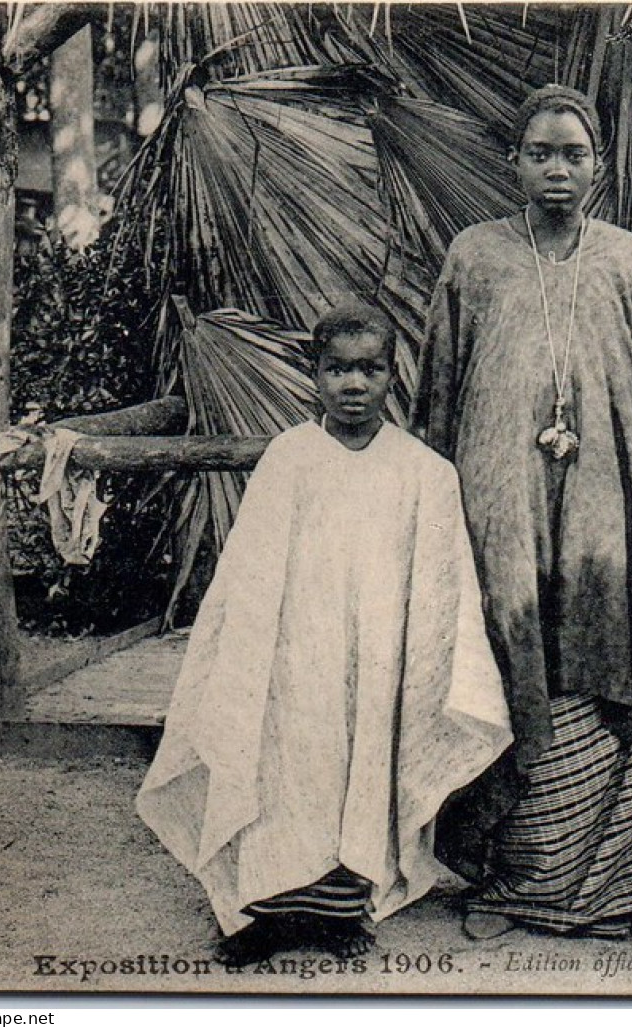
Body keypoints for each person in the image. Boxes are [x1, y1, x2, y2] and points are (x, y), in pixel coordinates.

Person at [137, 305, 512, 968]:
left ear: (392, 374)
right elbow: (249, 572)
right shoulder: (289, 458)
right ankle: (264, 913)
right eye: (337, 368)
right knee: (285, 770)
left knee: (357, 773)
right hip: (293, 658)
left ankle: (339, 911)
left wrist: (412, 659)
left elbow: (440, 586)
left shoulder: (423, 471)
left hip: (379, 659)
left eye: (369, 368)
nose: (353, 384)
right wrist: (255, 657)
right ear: (313, 374)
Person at [414, 85, 632, 941]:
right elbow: (439, 397)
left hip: (607, 507)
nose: (556, 169)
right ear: (513, 162)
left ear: (597, 166)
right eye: (539, 153)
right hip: (502, 509)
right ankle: (513, 879)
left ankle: (606, 887)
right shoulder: (475, 256)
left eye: (573, 153)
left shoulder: (631, 260)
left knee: (605, 656)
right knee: (509, 655)